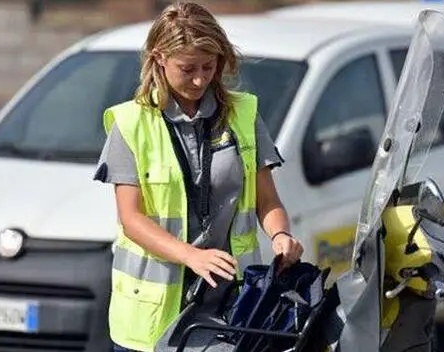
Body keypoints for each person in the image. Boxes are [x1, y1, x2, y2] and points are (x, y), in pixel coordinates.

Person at [93, 2, 304, 351]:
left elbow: (268, 201)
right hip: (152, 317)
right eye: (187, 68)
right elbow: (131, 219)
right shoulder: (131, 124)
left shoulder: (243, 114)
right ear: (159, 58)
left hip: (232, 307)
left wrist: (281, 234)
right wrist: (191, 255)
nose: (199, 79)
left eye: (209, 67)